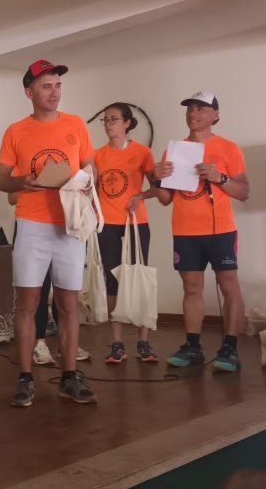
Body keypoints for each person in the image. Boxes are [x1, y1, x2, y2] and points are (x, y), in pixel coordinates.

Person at [0, 59, 98, 407]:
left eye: (57, 86)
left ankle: (69, 376)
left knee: (68, 303)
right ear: (30, 92)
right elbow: (0, 180)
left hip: (70, 225)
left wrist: (87, 184)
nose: (54, 93)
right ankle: (25, 378)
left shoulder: (76, 125)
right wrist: (21, 182)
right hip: (32, 224)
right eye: (46, 86)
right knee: (29, 302)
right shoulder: (16, 131)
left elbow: (90, 169)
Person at [152, 92, 249, 371]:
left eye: (201, 109)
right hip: (185, 230)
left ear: (215, 115)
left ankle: (230, 349)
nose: (193, 113)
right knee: (191, 288)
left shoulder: (229, 148)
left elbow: (244, 192)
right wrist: (155, 178)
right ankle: (192, 346)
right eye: (190, 109)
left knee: (228, 285)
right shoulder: (173, 151)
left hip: (220, 230)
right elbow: (165, 199)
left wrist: (220, 178)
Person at [93, 102, 158, 363]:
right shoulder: (97, 155)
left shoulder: (142, 152)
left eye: (114, 119)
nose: (108, 124)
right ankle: (117, 343)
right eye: (105, 120)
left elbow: (157, 188)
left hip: (135, 222)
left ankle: (143, 342)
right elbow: (92, 189)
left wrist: (140, 196)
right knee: (112, 282)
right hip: (107, 224)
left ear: (127, 123)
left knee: (138, 279)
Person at [8, 192, 88, 365]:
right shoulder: (25, 173)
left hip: (68, 225)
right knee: (36, 294)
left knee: (66, 297)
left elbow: (90, 184)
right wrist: (37, 185)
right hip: (32, 225)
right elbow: (11, 197)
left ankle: (65, 349)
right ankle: (39, 342)